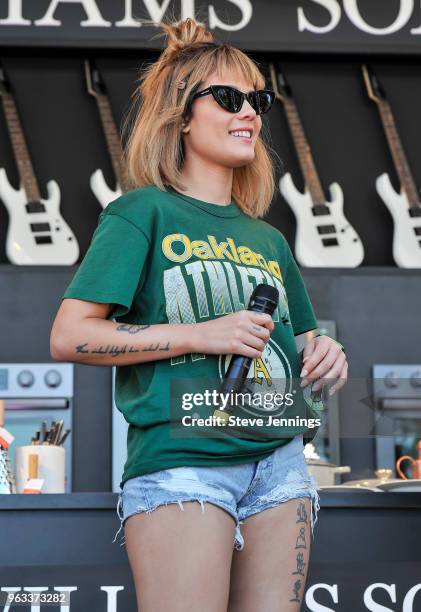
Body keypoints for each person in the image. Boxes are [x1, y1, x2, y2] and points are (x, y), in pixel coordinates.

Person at [50, 16, 348, 612]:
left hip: (281, 462)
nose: (250, 113)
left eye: (257, 100)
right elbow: (70, 336)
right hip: (184, 464)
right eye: (230, 98)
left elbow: (305, 342)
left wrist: (326, 356)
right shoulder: (141, 213)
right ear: (182, 114)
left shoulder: (270, 240)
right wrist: (201, 335)